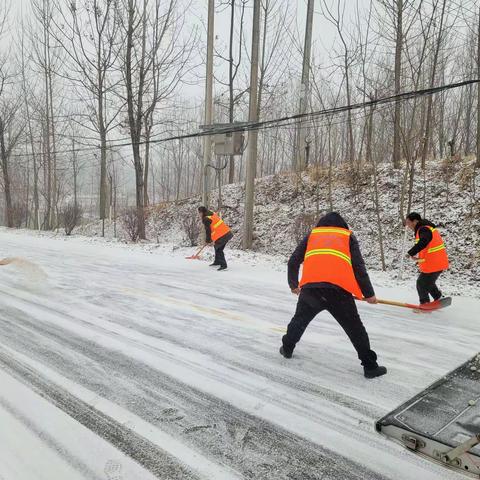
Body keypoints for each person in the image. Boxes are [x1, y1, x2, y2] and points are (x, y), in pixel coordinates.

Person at [281, 212, 387, 379]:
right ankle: (370, 366)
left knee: (299, 321)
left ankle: (287, 348)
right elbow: (358, 268)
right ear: (342, 225)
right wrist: (369, 294)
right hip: (339, 292)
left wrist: (293, 284)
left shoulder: (312, 235)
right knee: (355, 329)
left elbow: (293, 260)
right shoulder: (347, 236)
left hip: (312, 290)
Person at [405, 212, 449, 305]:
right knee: (428, 282)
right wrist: (417, 256)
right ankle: (439, 298)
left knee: (421, 283)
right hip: (436, 262)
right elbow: (427, 247)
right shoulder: (426, 228)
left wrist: (411, 252)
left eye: (409, 222)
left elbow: (424, 241)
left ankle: (425, 303)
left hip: (434, 263)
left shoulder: (423, 229)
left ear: (415, 221)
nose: (408, 225)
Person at [198, 207, 233, 271]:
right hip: (226, 233)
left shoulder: (206, 219)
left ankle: (223, 265)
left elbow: (208, 230)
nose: (199, 214)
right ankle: (217, 261)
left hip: (222, 235)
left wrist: (207, 240)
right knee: (216, 247)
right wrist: (209, 240)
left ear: (202, 212)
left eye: (199, 213)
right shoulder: (212, 214)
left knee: (219, 249)